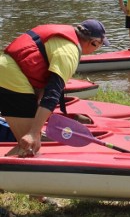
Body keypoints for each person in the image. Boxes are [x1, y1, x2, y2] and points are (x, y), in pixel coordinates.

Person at [0, 19, 109, 157]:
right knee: (30, 147)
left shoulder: (60, 38)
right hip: (13, 81)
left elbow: (38, 69)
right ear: (94, 42)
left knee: (30, 144)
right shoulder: (70, 53)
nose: (96, 50)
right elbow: (52, 95)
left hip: (5, 71)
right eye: (99, 46)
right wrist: (34, 132)